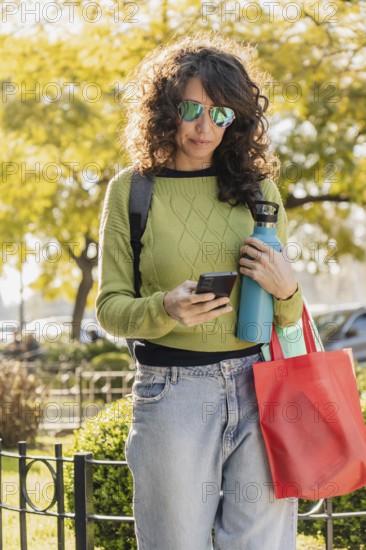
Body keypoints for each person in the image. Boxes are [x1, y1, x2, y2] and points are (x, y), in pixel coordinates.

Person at [96, 33, 303, 550]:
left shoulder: (259, 191)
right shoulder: (133, 191)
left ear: (238, 120)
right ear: (165, 110)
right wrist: (164, 307)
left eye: (221, 114)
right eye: (191, 108)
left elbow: (289, 315)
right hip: (173, 393)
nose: (204, 126)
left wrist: (288, 288)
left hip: (262, 387)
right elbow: (110, 307)